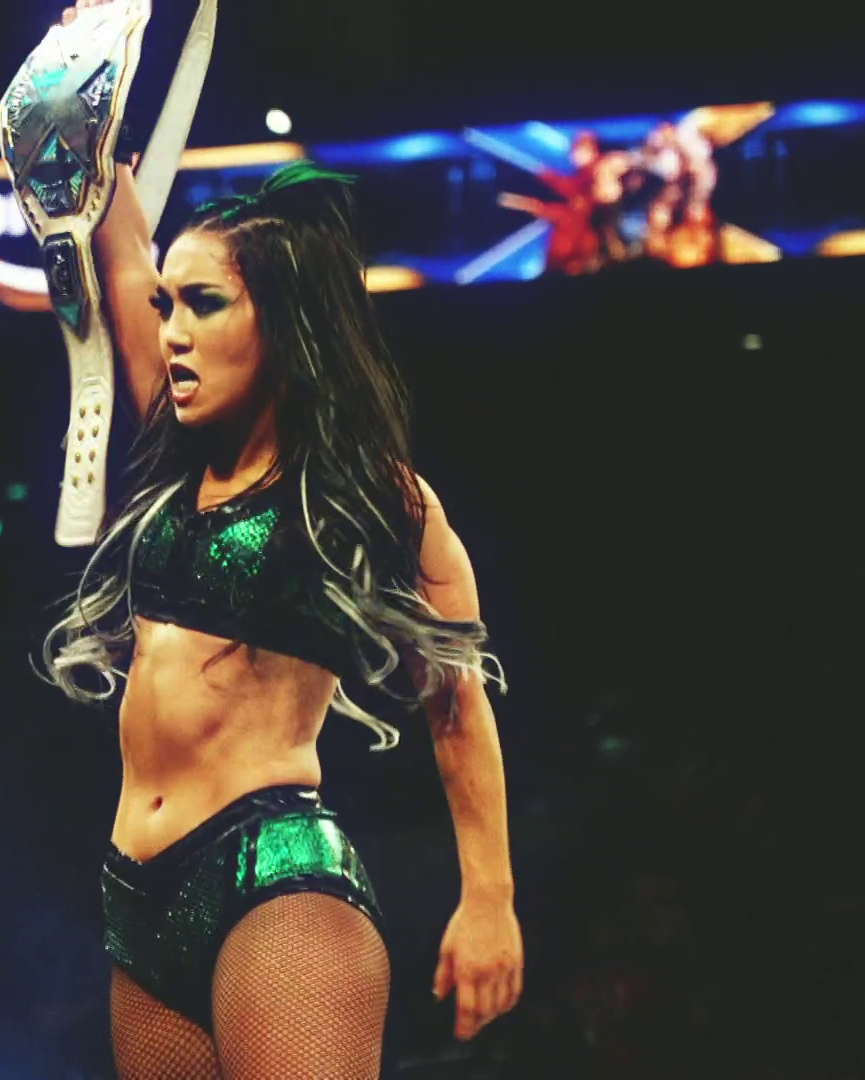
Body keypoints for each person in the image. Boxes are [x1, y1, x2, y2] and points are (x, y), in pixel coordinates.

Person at [36, 6, 523, 1074]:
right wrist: (93, 93)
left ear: (283, 323)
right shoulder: (176, 457)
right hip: (134, 898)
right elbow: (115, 245)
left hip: (274, 881)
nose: (172, 331)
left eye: (203, 304)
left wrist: (488, 897)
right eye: (167, 305)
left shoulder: (369, 495)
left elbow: (455, 702)